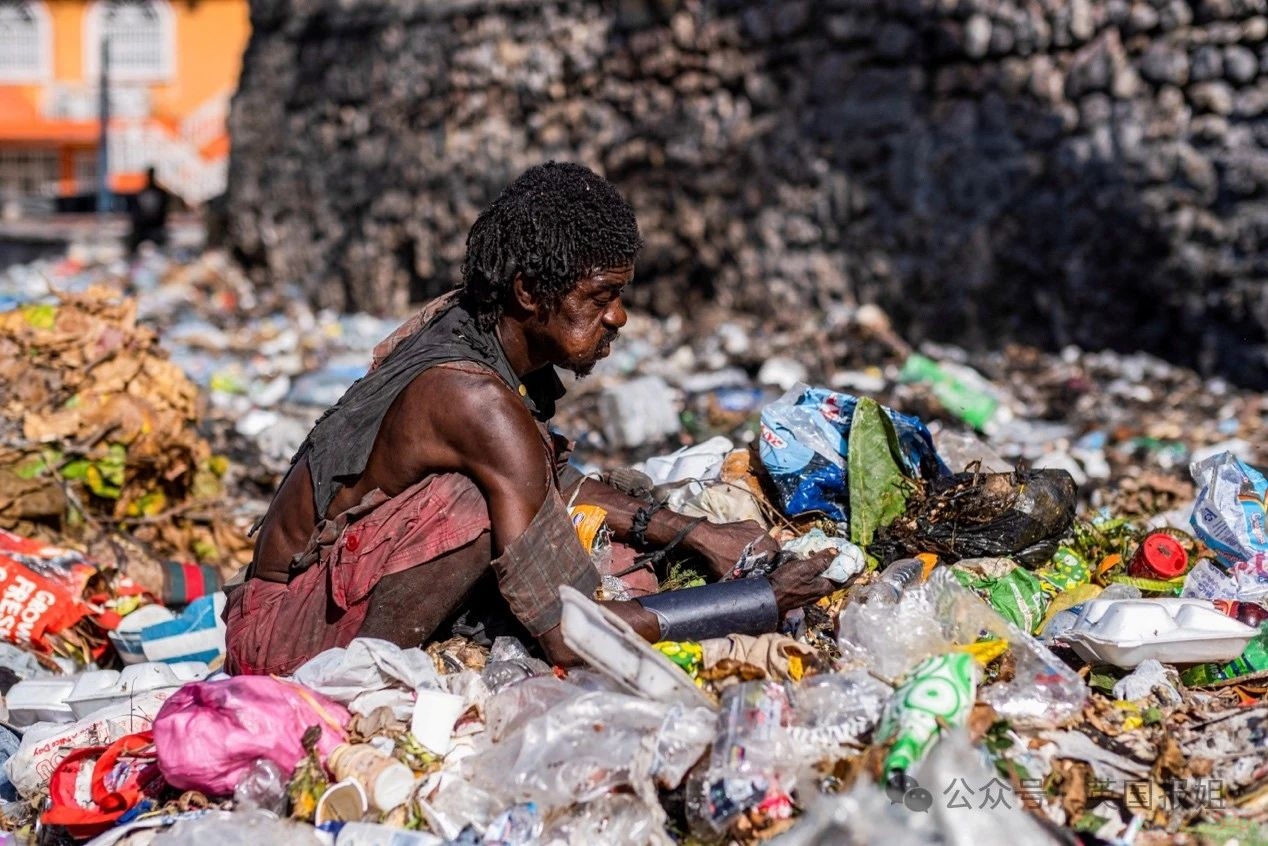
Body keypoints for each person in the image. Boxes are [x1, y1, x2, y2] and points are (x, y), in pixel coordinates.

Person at [224, 162, 837, 675]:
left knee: (613, 553)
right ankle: (367, 670)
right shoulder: (478, 401)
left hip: (287, 608)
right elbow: (573, 633)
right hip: (279, 642)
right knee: (472, 507)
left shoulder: (470, 324)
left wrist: (694, 533)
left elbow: (538, 474)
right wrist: (759, 599)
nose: (618, 317)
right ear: (527, 292)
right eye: (599, 297)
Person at [127, 167, 170, 257]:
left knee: (160, 250)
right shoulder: (141, 192)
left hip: (156, 227)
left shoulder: (161, 193)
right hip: (143, 228)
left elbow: (163, 211)